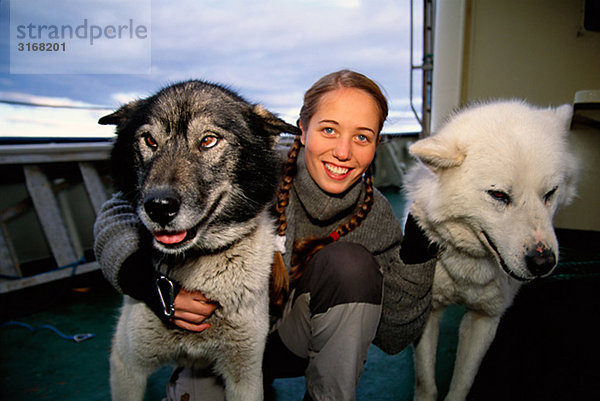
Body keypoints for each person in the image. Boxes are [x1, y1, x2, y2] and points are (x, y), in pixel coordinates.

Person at [94, 70, 436, 401]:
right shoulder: (261, 174)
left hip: (298, 339)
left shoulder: (376, 217)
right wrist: (149, 287)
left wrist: (417, 258)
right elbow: (119, 212)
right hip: (211, 337)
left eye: (362, 136)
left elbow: (394, 338)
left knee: (350, 264)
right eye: (329, 130)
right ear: (302, 131)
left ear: (377, 143)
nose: (343, 152)